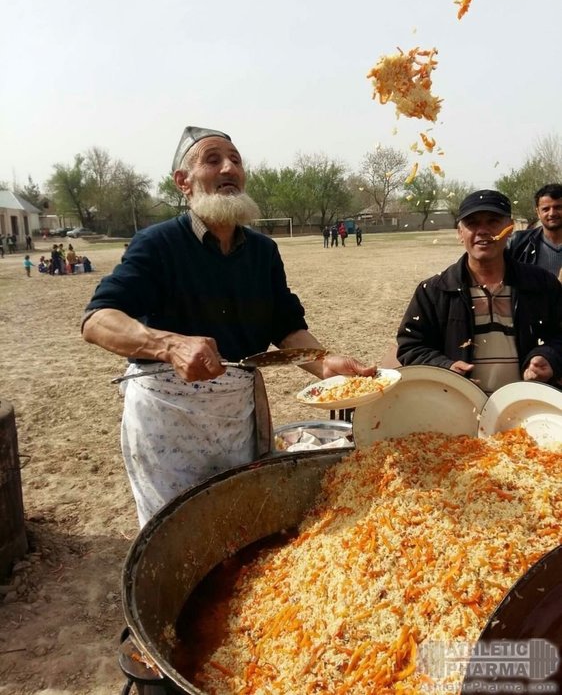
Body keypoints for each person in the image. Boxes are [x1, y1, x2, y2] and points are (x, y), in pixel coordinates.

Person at [82, 124, 376, 526]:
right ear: (183, 182)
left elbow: (286, 327)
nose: (229, 168)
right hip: (170, 417)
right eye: (213, 159)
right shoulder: (158, 244)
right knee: (178, 528)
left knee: (240, 521)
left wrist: (326, 366)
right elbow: (98, 320)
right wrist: (169, 345)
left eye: (235, 161)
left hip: (238, 413)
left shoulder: (263, 251)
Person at [396, 189, 562, 396]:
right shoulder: (434, 291)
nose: (482, 231)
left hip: (527, 405)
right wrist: (445, 367)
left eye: (493, 221)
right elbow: (411, 346)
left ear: (509, 228)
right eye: (472, 223)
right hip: (459, 404)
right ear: (460, 233)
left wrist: (548, 355)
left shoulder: (542, 284)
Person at [507, 183, 562, 277]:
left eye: (558, 207)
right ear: (538, 212)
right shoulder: (518, 242)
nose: (552, 213)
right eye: (546, 209)